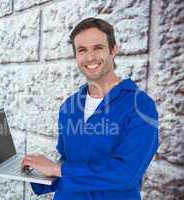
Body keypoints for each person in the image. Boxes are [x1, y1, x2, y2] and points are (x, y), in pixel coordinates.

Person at [21, 17, 159, 200]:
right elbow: (67, 161)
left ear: (113, 50)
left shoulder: (141, 106)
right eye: (82, 50)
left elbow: (126, 173)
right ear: (76, 56)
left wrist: (57, 169)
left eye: (98, 47)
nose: (90, 57)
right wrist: (39, 172)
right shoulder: (69, 107)